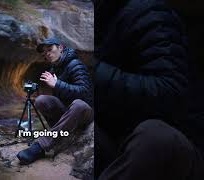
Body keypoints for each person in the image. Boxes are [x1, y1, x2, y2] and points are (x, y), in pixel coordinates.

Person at [93, 0, 204, 179]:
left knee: (155, 137)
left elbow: (170, 92)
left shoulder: (149, 14)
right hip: (118, 141)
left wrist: (94, 72)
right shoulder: (97, 14)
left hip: (169, 151)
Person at [16, 37, 94, 165]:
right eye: (44, 52)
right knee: (41, 100)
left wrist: (57, 84)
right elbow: (59, 97)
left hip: (84, 112)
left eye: (50, 49)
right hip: (69, 111)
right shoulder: (55, 68)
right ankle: (60, 134)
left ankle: (40, 147)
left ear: (61, 48)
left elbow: (84, 91)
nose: (47, 53)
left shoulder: (75, 65)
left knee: (78, 104)